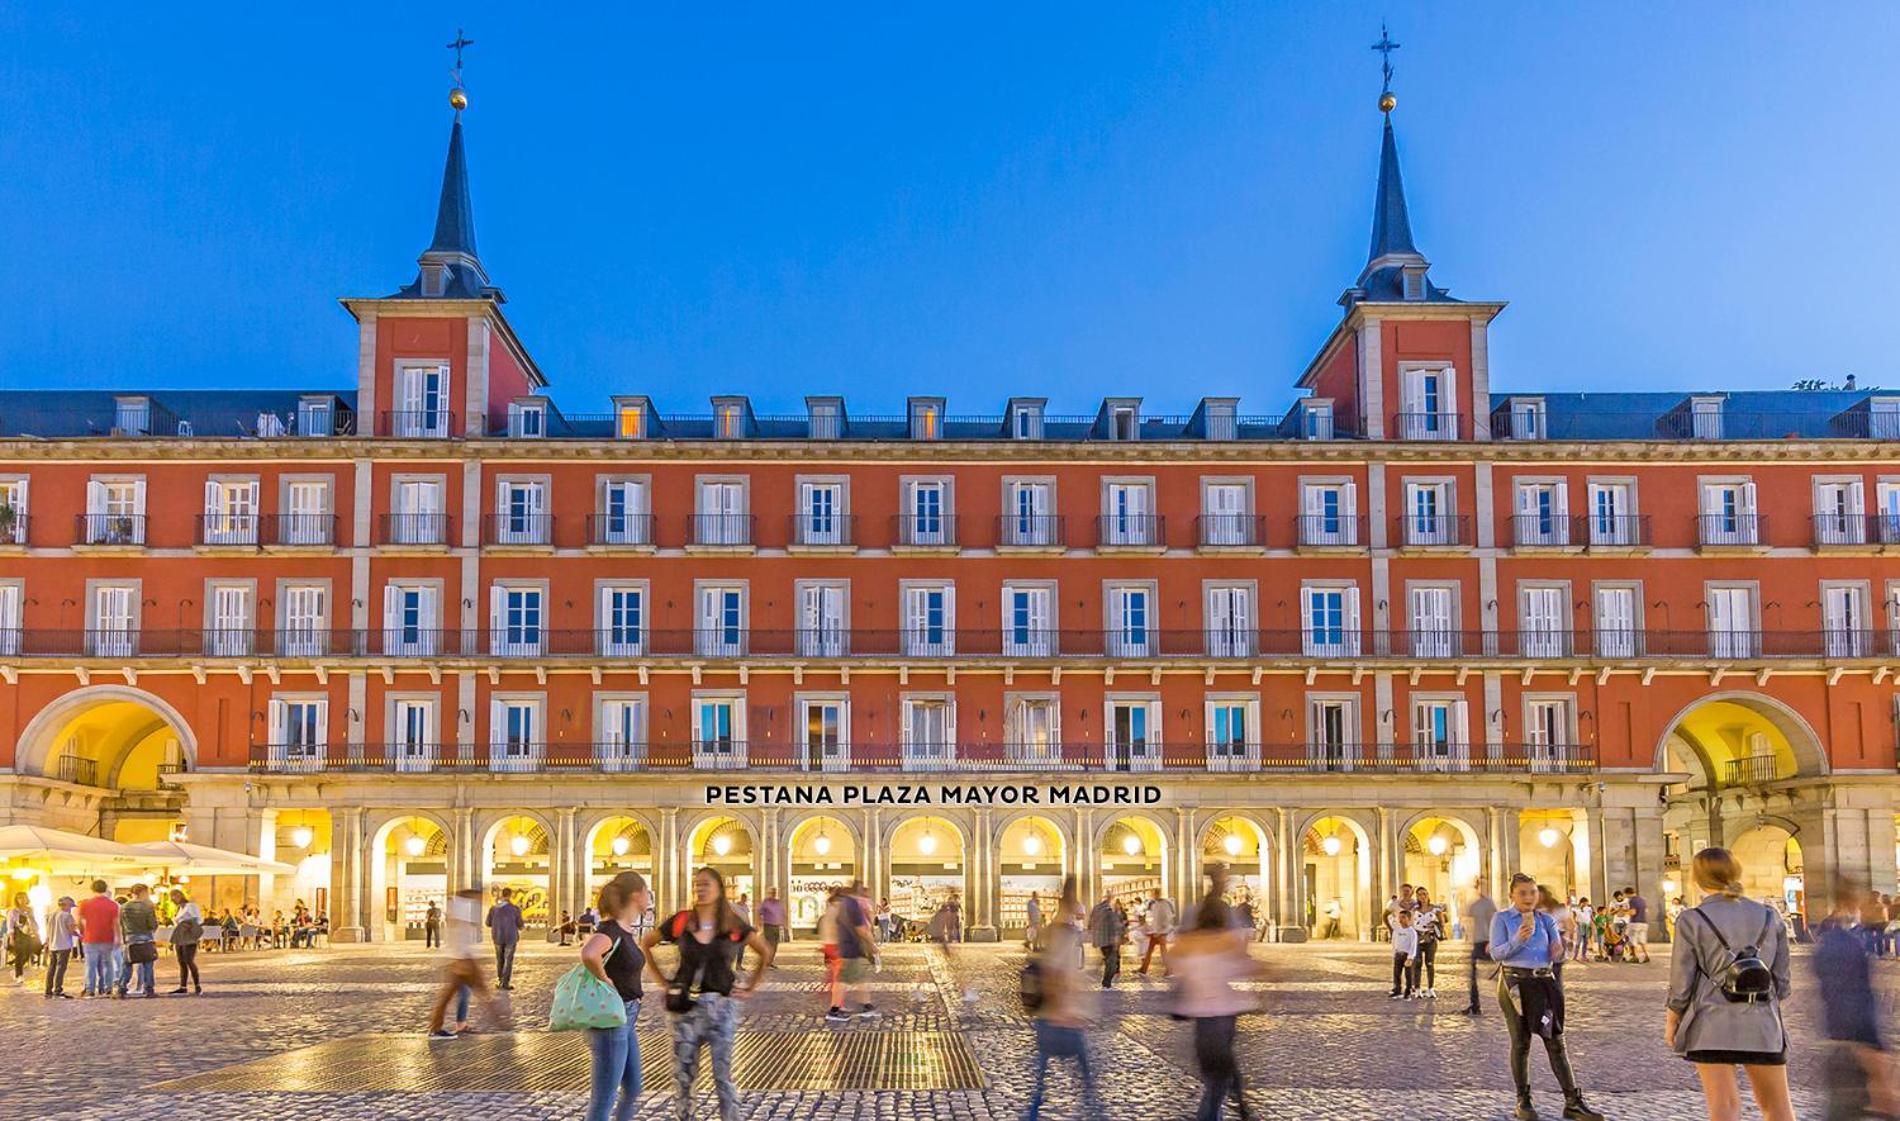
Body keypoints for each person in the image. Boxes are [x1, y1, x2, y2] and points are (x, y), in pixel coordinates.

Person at [1664, 847, 1794, 1121]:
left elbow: (1681, 981)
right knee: (1778, 1109)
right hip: (1763, 1024)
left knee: (1724, 1109)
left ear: (1697, 879)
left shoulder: (1691, 919)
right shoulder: (1771, 916)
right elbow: (1782, 983)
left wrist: (1673, 1020)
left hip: (1711, 1024)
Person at [643, 867, 772, 1121]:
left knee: (722, 1076)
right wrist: (662, 981)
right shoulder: (682, 921)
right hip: (685, 1011)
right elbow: (646, 943)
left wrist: (750, 987)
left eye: (705, 884)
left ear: (719, 888)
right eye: (697, 884)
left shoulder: (732, 923)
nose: (700, 888)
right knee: (683, 1076)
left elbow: (764, 952)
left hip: (721, 1008)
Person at [1492, 873, 1603, 1121]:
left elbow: (1558, 952)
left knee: (1556, 1041)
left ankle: (1573, 1102)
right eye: (1523, 893)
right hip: (1514, 984)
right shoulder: (1502, 919)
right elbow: (1497, 953)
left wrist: (1559, 951)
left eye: (1532, 892)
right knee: (1521, 1043)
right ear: (1512, 895)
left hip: (1544, 982)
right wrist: (1518, 939)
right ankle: (1523, 1100)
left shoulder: (1546, 920)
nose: (1529, 897)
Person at [1171, 891, 1263, 1121]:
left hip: (1203, 1022)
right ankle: (1239, 1106)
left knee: (1217, 1080)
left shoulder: (1188, 943)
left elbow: (1173, 962)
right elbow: (1246, 967)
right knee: (1217, 1084)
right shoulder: (1226, 942)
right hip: (1223, 1018)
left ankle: (1238, 1105)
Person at [1815, 879, 1900, 1120]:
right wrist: (1872, 1052)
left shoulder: (1836, 940)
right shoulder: (1842, 944)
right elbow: (1850, 999)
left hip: (1845, 1041)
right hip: (1853, 1045)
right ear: (1851, 901)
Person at [1024, 875, 1101, 1121]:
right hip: (1058, 1017)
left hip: (1047, 1016)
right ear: (1073, 902)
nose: (1084, 907)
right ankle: (1097, 1114)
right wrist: (1063, 1011)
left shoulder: (1052, 931)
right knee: (1087, 1080)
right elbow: (1053, 974)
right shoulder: (1065, 934)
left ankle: (1032, 1114)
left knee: (1041, 1082)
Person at [581, 870, 650, 1121]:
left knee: (632, 1087)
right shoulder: (611, 929)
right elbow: (589, 953)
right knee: (604, 1098)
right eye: (646, 891)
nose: (648, 896)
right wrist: (605, 979)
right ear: (636, 895)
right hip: (611, 1021)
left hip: (626, 1018)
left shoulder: (624, 929)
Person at [427, 888, 511, 1038]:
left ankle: (443, 1026)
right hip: (462, 960)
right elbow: (457, 937)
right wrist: (462, 961)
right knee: (482, 991)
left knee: (457, 994)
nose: (480, 899)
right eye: (478, 896)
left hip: (462, 958)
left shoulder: (463, 909)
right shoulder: (461, 911)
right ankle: (501, 1023)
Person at [826, 880, 879, 1022]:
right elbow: (860, 928)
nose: (866, 893)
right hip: (853, 946)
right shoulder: (852, 904)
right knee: (844, 979)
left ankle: (866, 1006)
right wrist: (871, 944)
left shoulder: (844, 904)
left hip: (847, 945)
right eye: (863, 890)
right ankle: (834, 1010)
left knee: (859, 976)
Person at [1462, 879, 1498, 1015]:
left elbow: (1494, 922)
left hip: (1487, 941)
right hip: (1478, 941)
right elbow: (1468, 918)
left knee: (1500, 972)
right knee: (1472, 974)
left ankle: (1512, 996)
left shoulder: (1489, 903)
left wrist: (1492, 940)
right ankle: (1474, 1004)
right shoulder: (1475, 904)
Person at [119, 882, 158, 997]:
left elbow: (122, 924)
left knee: (127, 964)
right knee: (148, 964)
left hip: (130, 938)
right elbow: (153, 924)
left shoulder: (124, 907)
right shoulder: (148, 906)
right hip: (145, 937)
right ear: (143, 892)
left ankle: (122, 988)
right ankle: (149, 989)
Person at [486, 886, 523, 990]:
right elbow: (520, 924)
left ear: (502, 895)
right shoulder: (515, 909)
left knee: (499, 959)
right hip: (511, 937)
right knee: (508, 960)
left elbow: (488, 923)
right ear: (511, 895)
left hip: (497, 937)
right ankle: (505, 983)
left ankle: (500, 980)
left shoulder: (493, 909)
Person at [1087, 890, 1126, 988]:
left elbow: (1090, 923)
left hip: (1101, 939)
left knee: (1109, 958)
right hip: (1110, 939)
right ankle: (1106, 982)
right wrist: (1120, 932)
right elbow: (1115, 925)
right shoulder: (1111, 910)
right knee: (1112, 962)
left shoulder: (1097, 908)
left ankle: (1104, 978)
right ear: (1111, 898)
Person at [168, 888, 204, 995]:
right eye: (172, 897)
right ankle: (183, 986)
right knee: (181, 961)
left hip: (189, 935)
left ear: (180, 895)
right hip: (180, 935)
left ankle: (197, 985)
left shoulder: (191, 906)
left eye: (174, 896)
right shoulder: (179, 909)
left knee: (189, 960)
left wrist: (192, 932)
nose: (173, 899)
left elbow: (198, 920)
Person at [44, 895, 77, 998]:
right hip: (64, 945)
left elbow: (48, 930)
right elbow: (71, 931)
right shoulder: (67, 916)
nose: (71, 909)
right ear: (66, 905)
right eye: (71, 906)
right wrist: (80, 935)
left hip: (52, 944)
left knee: (51, 968)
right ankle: (58, 989)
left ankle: (48, 990)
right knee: (61, 968)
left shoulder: (50, 915)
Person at [1412, 887, 1443, 998]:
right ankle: (1417, 989)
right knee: (1417, 964)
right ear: (1417, 897)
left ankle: (1430, 988)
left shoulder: (1435, 909)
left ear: (1428, 895)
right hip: (1418, 938)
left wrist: (1436, 927)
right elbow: (1411, 924)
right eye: (1420, 894)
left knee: (1430, 964)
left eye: (1425, 894)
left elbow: (1441, 923)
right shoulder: (1414, 910)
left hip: (1430, 939)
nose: (1423, 896)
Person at [1138, 888, 1176, 977]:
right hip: (1155, 932)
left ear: (1157, 894)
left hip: (1161, 933)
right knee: (1150, 951)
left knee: (1163, 952)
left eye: (1153, 894)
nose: (1152, 896)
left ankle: (1169, 970)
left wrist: (1160, 931)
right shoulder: (1155, 904)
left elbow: (1166, 919)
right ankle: (1143, 969)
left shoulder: (1164, 904)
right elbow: (1154, 918)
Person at [4, 891, 35, 983]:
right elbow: (10, 925)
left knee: (28, 952)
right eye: (19, 898)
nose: (22, 900)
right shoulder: (13, 911)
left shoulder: (29, 909)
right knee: (20, 954)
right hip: (18, 933)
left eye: (24, 898)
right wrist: (12, 938)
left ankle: (16, 970)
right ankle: (19, 975)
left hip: (28, 932)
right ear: (16, 900)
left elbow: (33, 920)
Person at [1390, 908, 1421, 999]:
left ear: (1409, 918)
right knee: (1397, 973)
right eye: (1399, 918)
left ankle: (1408, 990)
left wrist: (1411, 957)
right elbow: (1394, 942)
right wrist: (1394, 953)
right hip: (1398, 954)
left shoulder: (1412, 932)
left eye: (1403, 917)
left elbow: (1413, 945)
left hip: (1407, 955)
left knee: (1408, 974)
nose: (1401, 920)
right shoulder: (1397, 930)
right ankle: (1397, 989)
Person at [757, 887, 786, 968]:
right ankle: (766, 962)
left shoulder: (778, 902)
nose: (773, 893)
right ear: (769, 893)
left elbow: (782, 913)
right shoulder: (765, 902)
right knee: (769, 945)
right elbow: (759, 913)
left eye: (774, 892)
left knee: (775, 946)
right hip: (768, 926)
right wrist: (759, 923)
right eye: (772, 892)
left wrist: (783, 923)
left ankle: (770, 961)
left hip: (777, 927)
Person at [1623, 886, 1652, 964]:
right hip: (1644, 922)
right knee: (1642, 941)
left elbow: (1633, 912)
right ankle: (1646, 955)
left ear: (1627, 894)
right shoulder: (1642, 900)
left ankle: (1634, 956)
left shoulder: (1632, 900)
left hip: (1635, 922)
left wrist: (1624, 912)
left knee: (1632, 940)